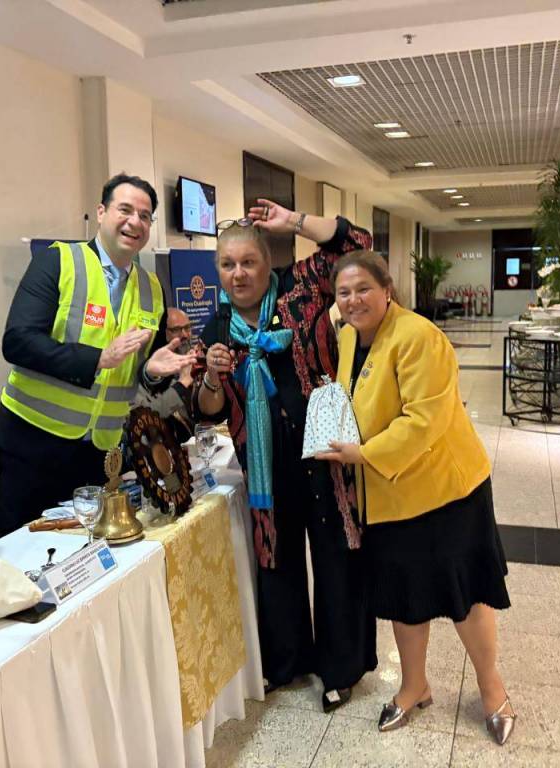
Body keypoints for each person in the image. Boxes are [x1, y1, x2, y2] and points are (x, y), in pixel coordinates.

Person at [317, 250, 515, 743]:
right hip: (389, 493)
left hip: (445, 490)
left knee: (466, 595)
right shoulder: (348, 337)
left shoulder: (419, 336)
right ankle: (414, 686)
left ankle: (492, 688)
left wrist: (362, 453)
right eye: (344, 293)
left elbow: (424, 419)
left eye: (363, 289)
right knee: (405, 596)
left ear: (388, 290)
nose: (353, 300)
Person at [196, 200, 376, 713]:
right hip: (264, 463)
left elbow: (357, 247)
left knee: (337, 555)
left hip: (325, 449)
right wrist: (211, 376)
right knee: (277, 561)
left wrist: (295, 222)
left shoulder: (301, 287)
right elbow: (205, 411)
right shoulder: (216, 329)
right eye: (227, 265)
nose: (238, 274)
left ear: (267, 262)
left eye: (248, 262)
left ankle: (340, 669)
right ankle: (287, 660)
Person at [0, 173, 196, 537]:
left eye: (144, 216)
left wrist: (151, 371)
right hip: (34, 445)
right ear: (101, 212)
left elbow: (137, 375)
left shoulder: (152, 289)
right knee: (26, 554)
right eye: (125, 210)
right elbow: (18, 341)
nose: (135, 222)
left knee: (87, 551)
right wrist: (97, 358)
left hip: (98, 455)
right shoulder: (58, 261)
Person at [131, 307, 196, 443]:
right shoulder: (147, 370)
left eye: (187, 328)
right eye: (176, 330)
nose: (185, 334)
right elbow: (148, 415)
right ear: (163, 333)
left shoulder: (191, 362)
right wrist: (182, 384)